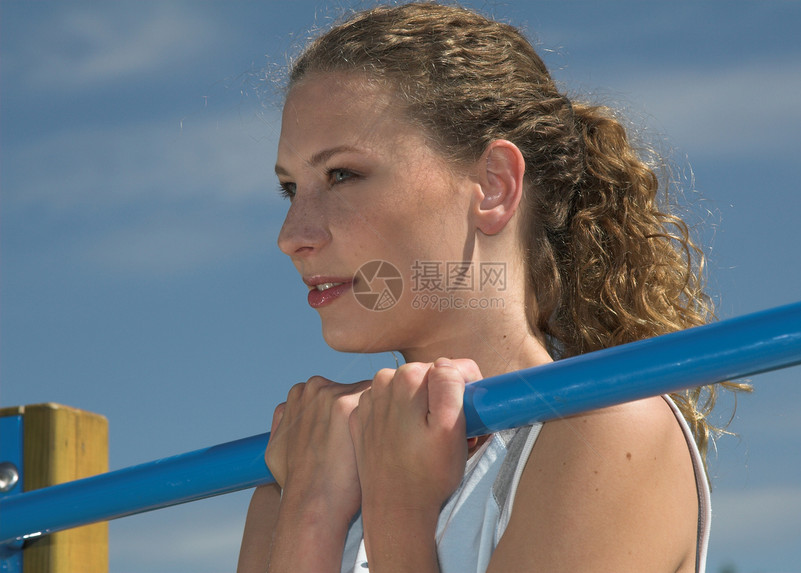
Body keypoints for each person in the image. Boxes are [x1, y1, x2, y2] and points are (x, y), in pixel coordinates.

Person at [237, 3, 746, 572]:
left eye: (342, 175)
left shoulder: (605, 427)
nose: (292, 236)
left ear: (493, 186)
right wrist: (308, 510)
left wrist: (398, 510)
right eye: (290, 189)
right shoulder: (299, 470)